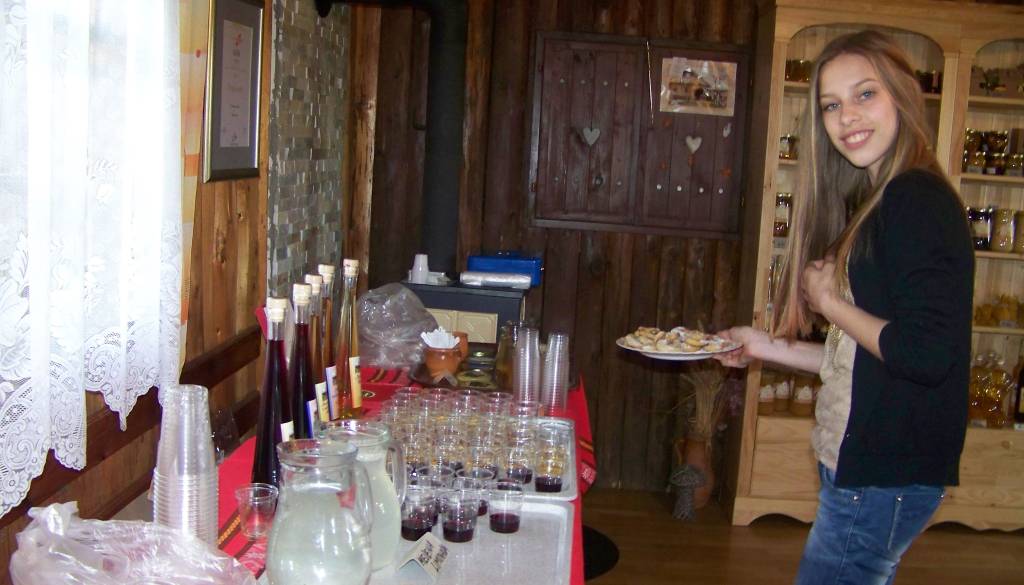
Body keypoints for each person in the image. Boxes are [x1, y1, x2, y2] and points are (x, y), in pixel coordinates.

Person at [716, 30, 973, 585]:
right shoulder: (883, 200)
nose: (846, 116)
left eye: (865, 94)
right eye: (831, 105)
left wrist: (828, 301)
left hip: (882, 475)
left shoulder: (914, 199)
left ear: (902, 94)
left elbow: (925, 355)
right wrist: (762, 346)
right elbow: (863, 356)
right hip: (873, 473)